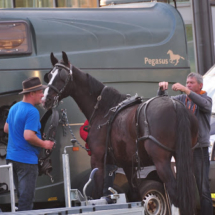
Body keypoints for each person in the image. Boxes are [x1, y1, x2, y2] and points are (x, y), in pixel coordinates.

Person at [158, 72, 213, 215]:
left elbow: (204, 105)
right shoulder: (182, 99)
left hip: (200, 149)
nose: (188, 85)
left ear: (200, 85)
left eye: (191, 83)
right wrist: (162, 91)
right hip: (184, 150)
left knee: (203, 189)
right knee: (184, 186)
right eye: (187, 82)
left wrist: (185, 90)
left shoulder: (206, 99)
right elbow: (164, 105)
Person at [4, 77, 55, 211]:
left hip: (12, 159)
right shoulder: (32, 111)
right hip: (26, 161)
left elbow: (6, 129)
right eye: (40, 92)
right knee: (26, 200)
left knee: (22, 196)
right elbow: (28, 136)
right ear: (31, 93)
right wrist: (44, 144)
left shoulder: (14, 107)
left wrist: (34, 134)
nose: (43, 94)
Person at [80, 120, 116, 196]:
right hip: (99, 157)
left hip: (109, 156)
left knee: (107, 181)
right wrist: (92, 141)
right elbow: (82, 130)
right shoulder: (93, 119)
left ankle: (106, 197)